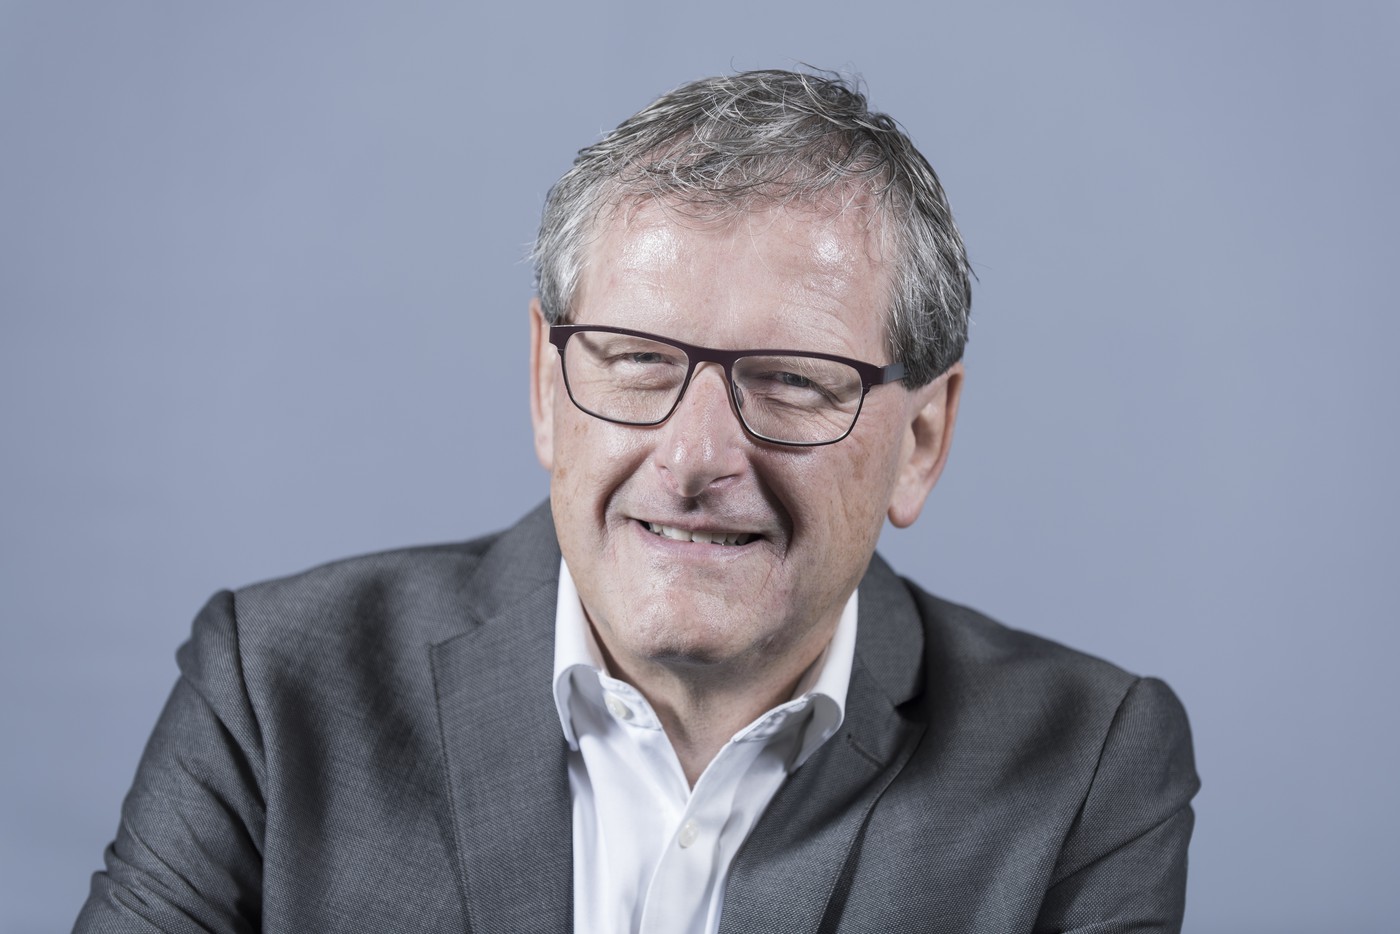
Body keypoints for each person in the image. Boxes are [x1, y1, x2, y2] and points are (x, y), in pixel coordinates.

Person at [75, 70, 1199, 934]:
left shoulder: (1083, 767)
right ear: (545, 385)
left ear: (920, 440)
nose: (694, 457)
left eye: (792, 380)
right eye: (635, 360)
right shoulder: (273, 691)